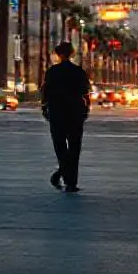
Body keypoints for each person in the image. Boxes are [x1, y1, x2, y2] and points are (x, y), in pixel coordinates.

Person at [40, 42, 90, 193]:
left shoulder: (52, 71)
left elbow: (45, 92)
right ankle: (70, 182)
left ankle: (63, 174)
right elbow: (85, 92)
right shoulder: (78, 71)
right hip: (75, 112)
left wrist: (44, 107)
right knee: (74, 147)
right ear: (72, 54)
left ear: (58, 54)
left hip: (57, 112)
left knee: (60, 146)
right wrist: (86, 109)